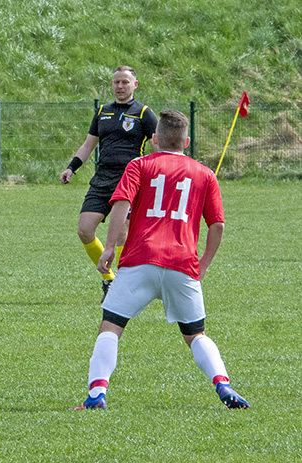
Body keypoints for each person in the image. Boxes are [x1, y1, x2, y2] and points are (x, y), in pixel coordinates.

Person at [69, 110, 249, 411]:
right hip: (182, 265)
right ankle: (224, 385)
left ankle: (96, 395)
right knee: (195, 334)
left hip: (140, 259)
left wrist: (110, 246)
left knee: (111, 327)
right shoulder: (205, 174)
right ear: (187, 142)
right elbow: (217, 225)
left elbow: (121, 203)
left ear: (154, 139)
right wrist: (202, 265)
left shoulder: (138, 165)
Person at [60, 66, 158, 301]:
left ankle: (123, 286)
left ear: (135, 85)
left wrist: (163, 172)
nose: (120, 86)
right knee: (84, 230)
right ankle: (109, 279)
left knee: (122, 233)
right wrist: (71, 167)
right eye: (116, 82)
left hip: (129, 180)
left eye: (125, 82)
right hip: (102, 179)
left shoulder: (144, 113)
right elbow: (88, 145)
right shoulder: (103, 111)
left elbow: (157, 147)